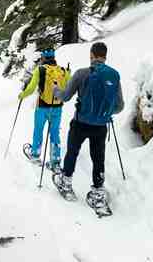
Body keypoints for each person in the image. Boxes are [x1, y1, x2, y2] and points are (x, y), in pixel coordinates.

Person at [53, 42, 124, 200]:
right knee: (98, 158)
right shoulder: (114, 76)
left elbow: (65, 97)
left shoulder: (81, 74)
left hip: (80, 123)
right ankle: (98, 190)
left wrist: (55, 89)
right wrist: (105, 112)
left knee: (72, 152)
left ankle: (66, 182)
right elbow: (120, 106)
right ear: (105, 56)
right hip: (100, 126)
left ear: (91, 55)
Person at [18, 48, 70, 171]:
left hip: (42, 106)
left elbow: (31, 89)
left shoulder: (40, 70)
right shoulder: (63, 71)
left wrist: (22, 95)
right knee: (55, 133)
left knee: (38, 130)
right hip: (57, 108)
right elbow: (69, 86)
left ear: (43, 58)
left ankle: (35, 154)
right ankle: (55, 161)